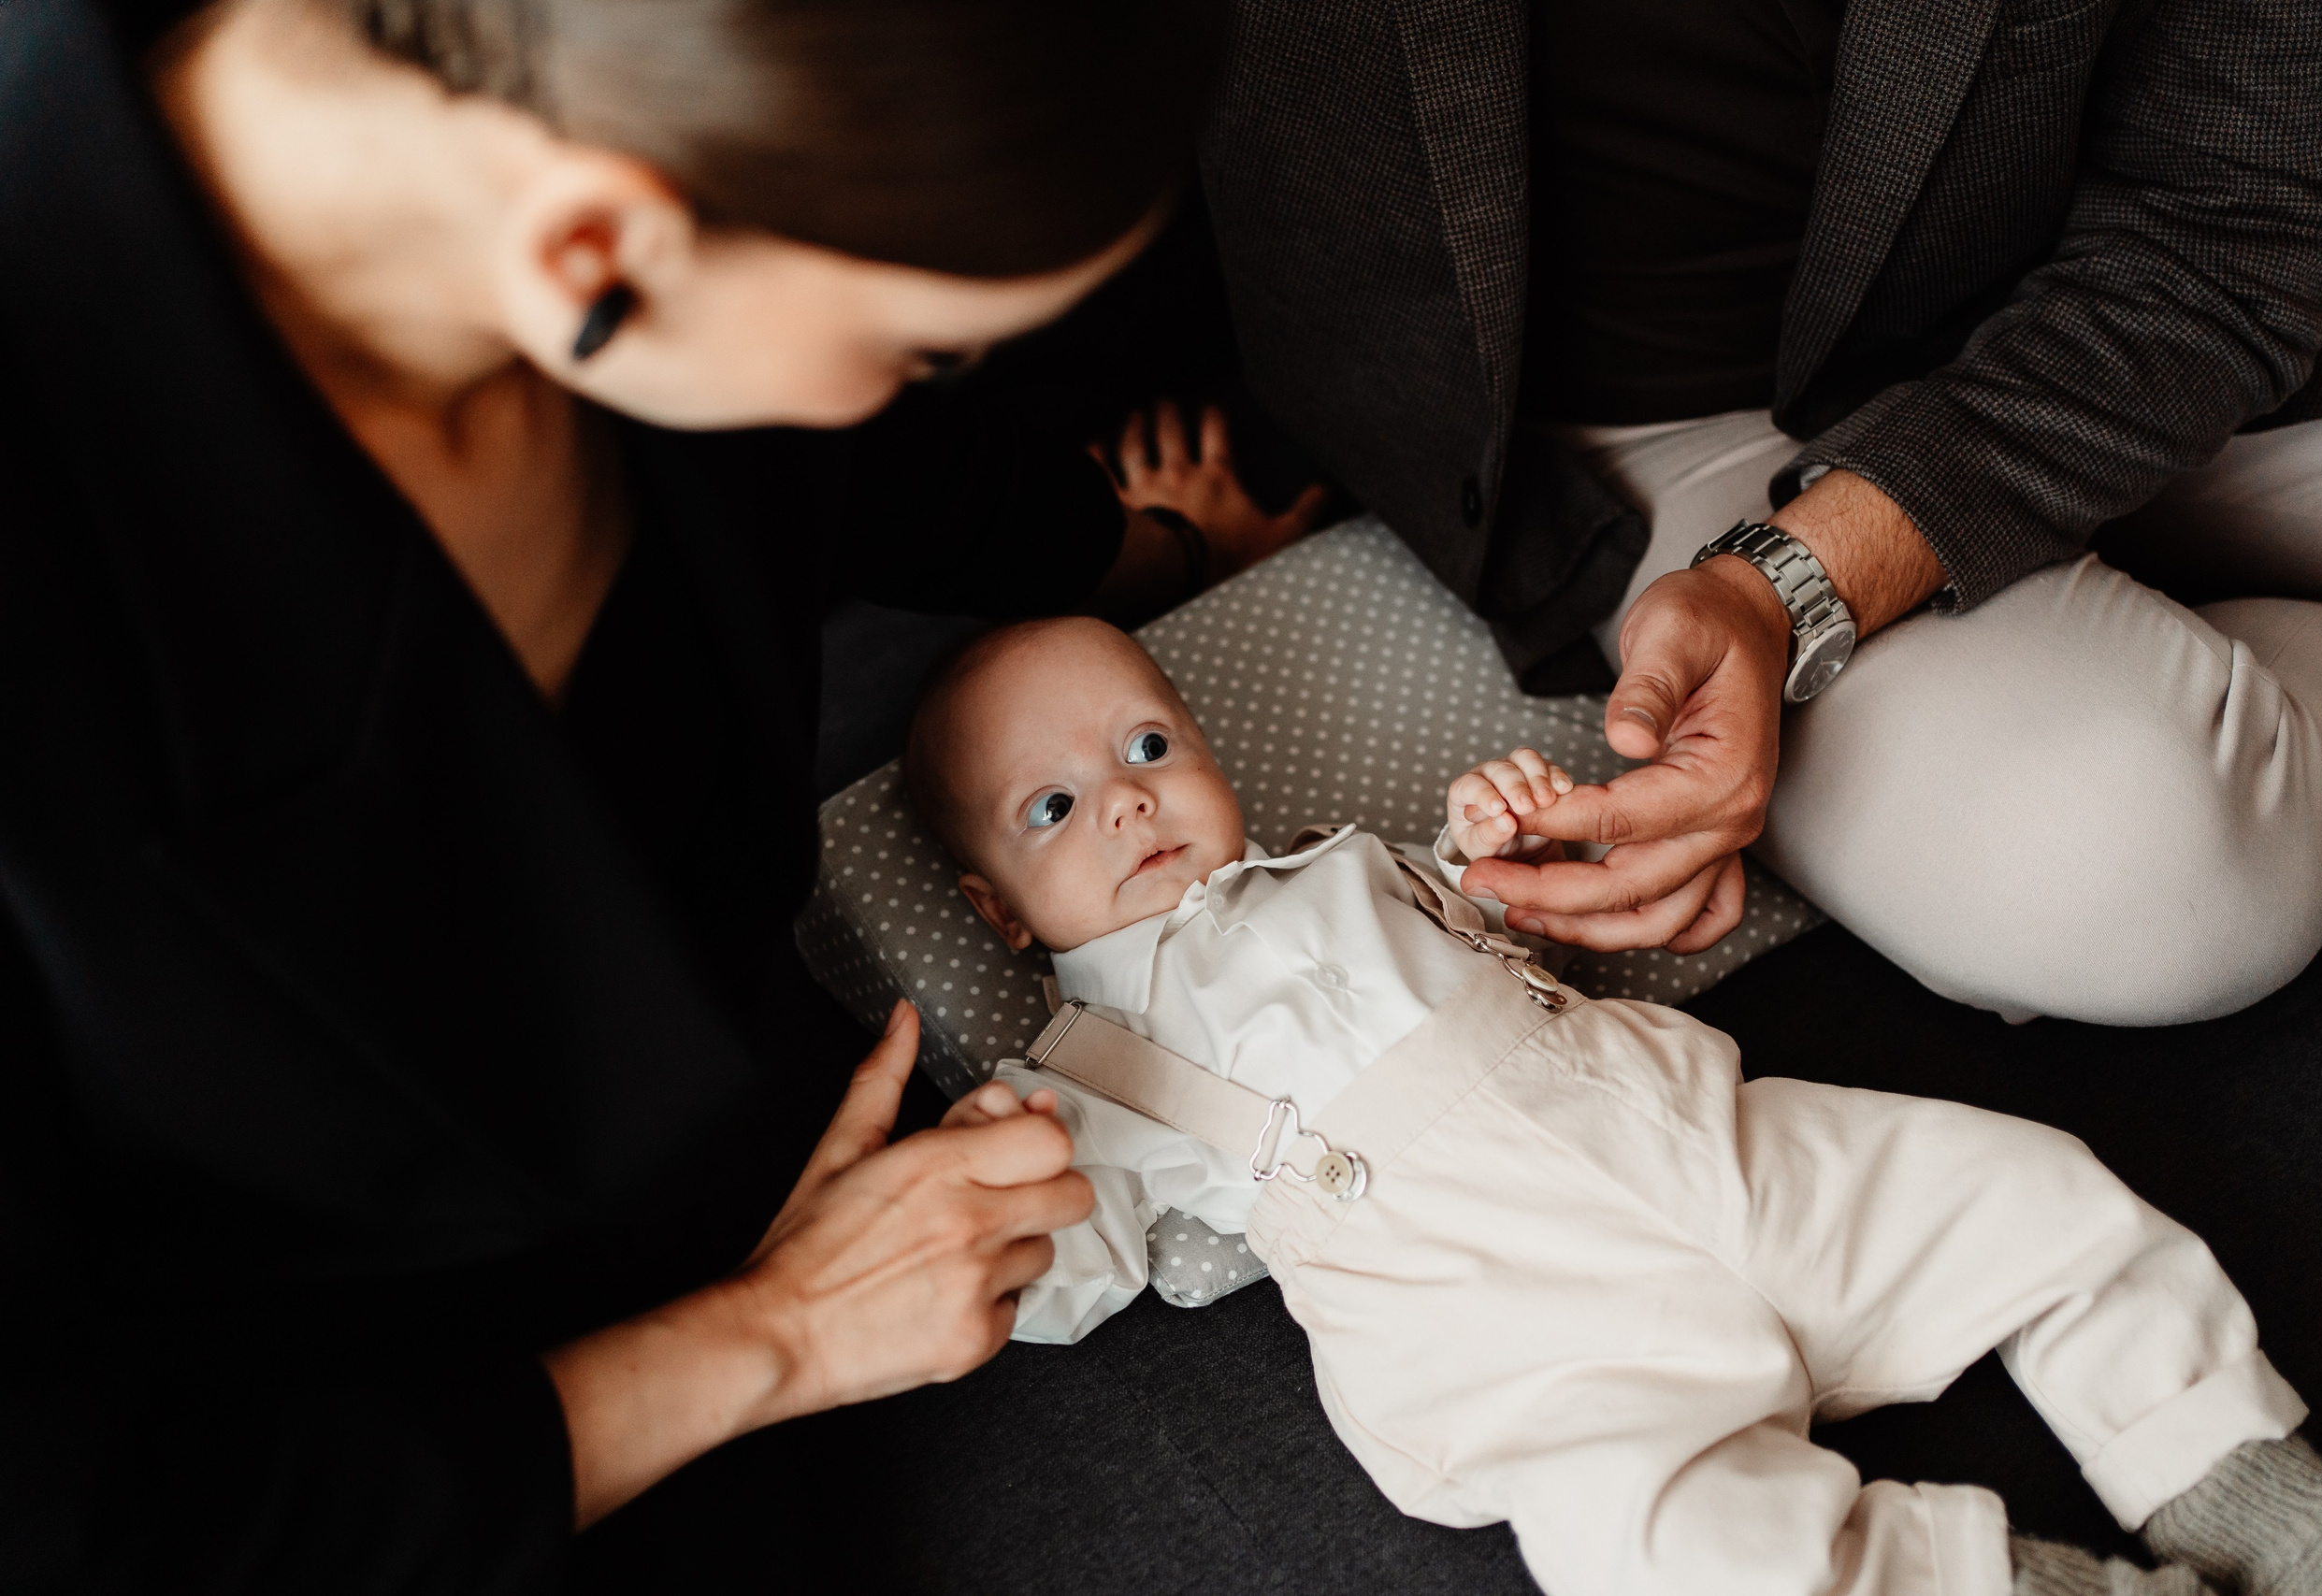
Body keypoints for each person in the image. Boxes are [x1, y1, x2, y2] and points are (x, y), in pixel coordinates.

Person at [0, 0, 1331, 1586]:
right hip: (362, 1456)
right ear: (592, 256)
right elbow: (75, 1503)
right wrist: (776, 1335)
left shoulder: (631, 169)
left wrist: (1158, 555)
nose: (919, 380)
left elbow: (886, 473)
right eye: (923, 343)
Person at [895, 613, 2322, 1596]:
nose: (1129, 799)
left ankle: (2260, 1496)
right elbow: (1070, 1270)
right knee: (1668, 1547)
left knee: (2034, 1195)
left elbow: (1516, 922)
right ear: (997, 908)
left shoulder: (1343, 860)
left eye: (1148, 747)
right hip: (1515, 1326)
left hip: (1713, 1147)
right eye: (1057, 805)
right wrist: (992, 1206)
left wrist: (1494, 835)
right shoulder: (1080, 1072)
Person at [1196, 0, 2322, 1025]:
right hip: (1687, 432)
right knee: (2129, 875)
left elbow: (2236, 213)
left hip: (2177, 303)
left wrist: (1798, 578)